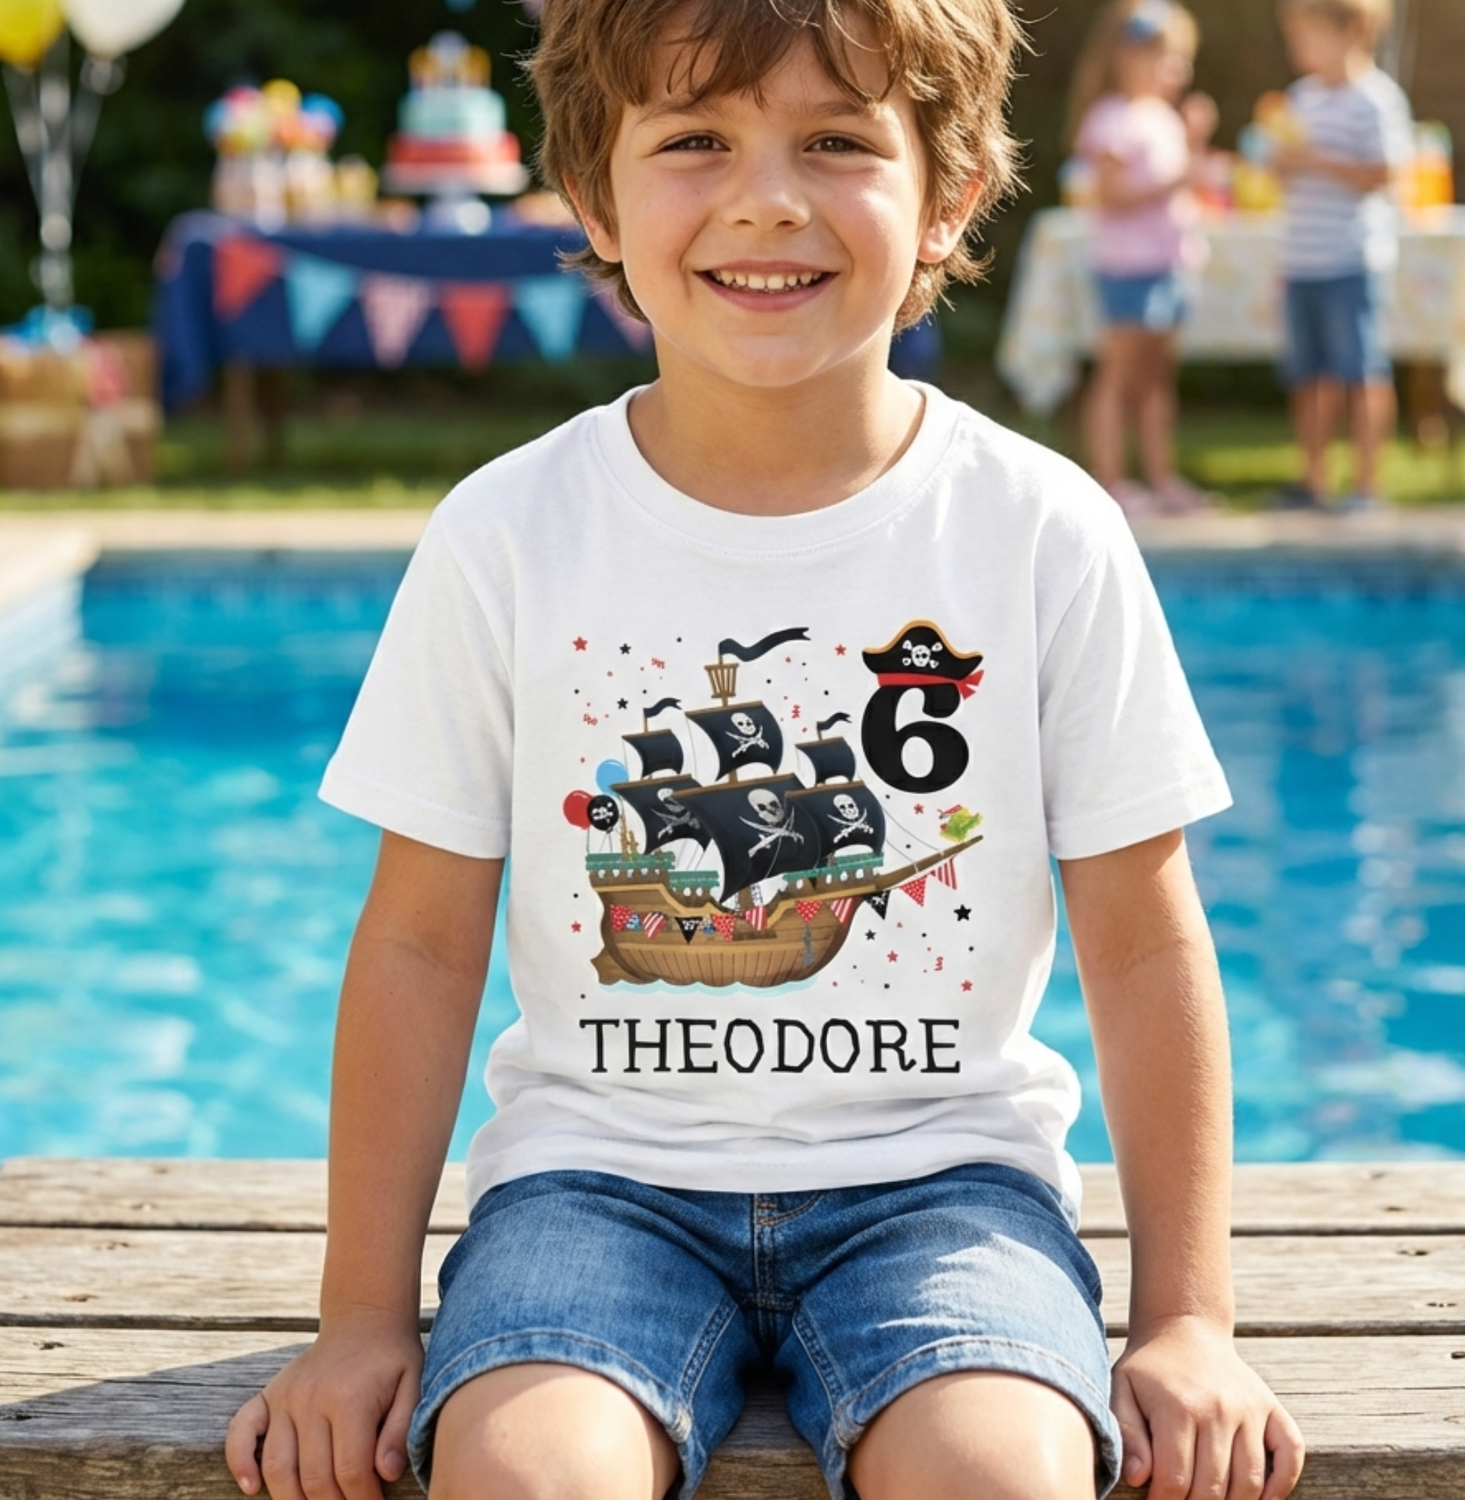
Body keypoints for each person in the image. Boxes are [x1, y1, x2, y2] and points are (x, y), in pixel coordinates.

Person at [224, 2, 1305, 1498]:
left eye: (838, 141)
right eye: (696, 142)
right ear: (595, 196)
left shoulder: (1041, 532)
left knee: (999, 1474)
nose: (767, 199)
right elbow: (418, 941)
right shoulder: (509, 535)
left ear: (951, 197)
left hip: (946, 1188)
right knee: (529, 1475)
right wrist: (358, 1318)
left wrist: (1189, 1320)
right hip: (595, 1187)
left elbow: (1143, 941)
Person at [1068, 0, 1219, 517]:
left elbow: (1181, 184)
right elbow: (1110, 194)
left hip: (1168, 264)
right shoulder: (1111, 119)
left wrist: (1195, 143)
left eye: (1181, 60)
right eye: (1166, 58)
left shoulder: (1163, 118)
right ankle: (1111, 481)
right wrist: (1177, 180)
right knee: (1120, 375)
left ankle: (1160, 477)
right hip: (1128, 268)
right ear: (1127, 58)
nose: (1178, 71)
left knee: (1157, 378)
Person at [1273, 0, 1413, 511]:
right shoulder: (1299, 98)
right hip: (1302, 259)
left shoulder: (1376, 99)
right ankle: (1313, 481)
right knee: (1309, 376)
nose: (1299, 48)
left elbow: (1387, 172)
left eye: (1310, 36)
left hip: (1352, 259)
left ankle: (1366, 485)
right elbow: (1282, 171)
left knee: (1361, 372)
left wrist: (1317, 160)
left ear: (1353, 32)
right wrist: (1281, 164)